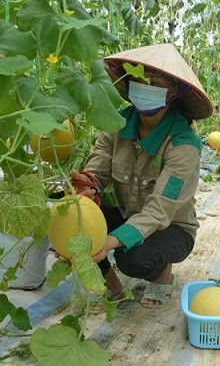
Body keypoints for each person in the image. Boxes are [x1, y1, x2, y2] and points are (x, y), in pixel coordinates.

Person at [70, 43, 212, 309]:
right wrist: (84, 187)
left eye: (154, 82)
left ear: (174, 91)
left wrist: (111, 241)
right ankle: (111, 284)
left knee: (132, 257)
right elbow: (96, 172)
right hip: (129, 213)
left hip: (171, 227)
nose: (144, 86)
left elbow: (159, 211)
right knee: (77, 222)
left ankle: (162, 275)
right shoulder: (117, 125)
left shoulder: (184, 144)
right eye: (138, 79)